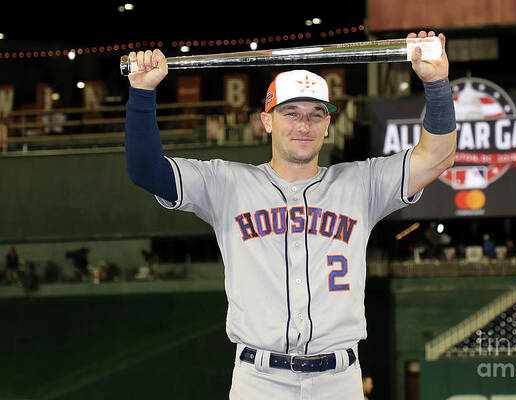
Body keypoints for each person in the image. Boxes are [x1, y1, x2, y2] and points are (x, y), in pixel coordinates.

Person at [124, 30, 456, 399]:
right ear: (266, 120)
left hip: (339, 378)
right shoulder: (226, 184)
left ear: (328, 125)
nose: (304, 124)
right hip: (260, 379)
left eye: (316, 114)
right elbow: (145, 170)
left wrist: (436, 82)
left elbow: (436, 157)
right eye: (290, 112)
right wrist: (142, 93)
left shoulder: (361, 184)